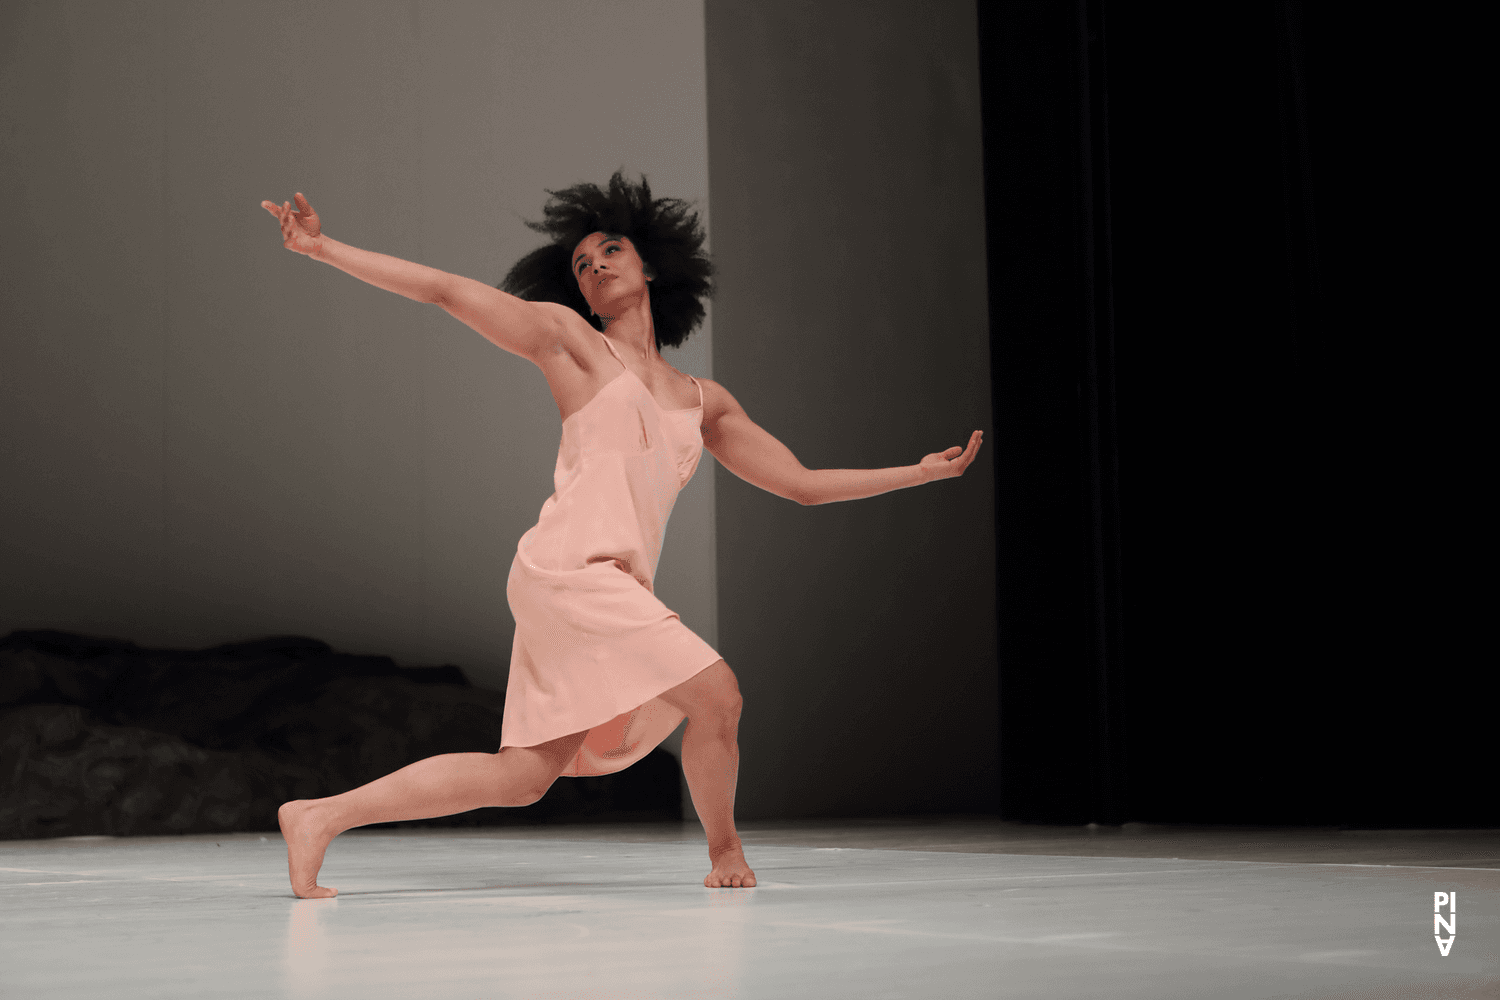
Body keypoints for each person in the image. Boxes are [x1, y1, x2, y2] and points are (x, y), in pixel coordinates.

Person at [259, 172, 983, 898]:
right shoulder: (570, 341)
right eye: (581, 263)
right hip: (571, 569)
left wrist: (918, 474)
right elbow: (447, 291)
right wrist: (324, 249)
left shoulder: (704, 402)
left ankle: (319, 817)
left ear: (652, 266)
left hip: (595, 583)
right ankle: (725, 851)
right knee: (717, 695)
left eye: (610, 250)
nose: (595, 265)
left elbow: (801, 483)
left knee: (522, 777)